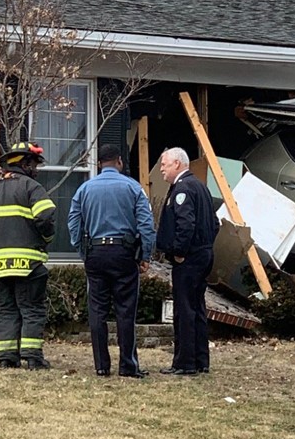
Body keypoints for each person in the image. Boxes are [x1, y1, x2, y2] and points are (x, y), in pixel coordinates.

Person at [67, 144, 157, 379]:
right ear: (119, 161)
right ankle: (127, 365)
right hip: (124, 253)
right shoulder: (133, 188)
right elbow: (146, 225)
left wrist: (82, 250)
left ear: (98, 164)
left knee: (97, 310)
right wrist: (145, 255)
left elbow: (73, 223)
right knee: (125, 310)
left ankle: (101, 365)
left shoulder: (84, 189)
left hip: (95, 253)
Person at [0, 141, 57, 370]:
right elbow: (46, 218)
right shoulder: (32, 188)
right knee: (31, 308)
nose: (36, 170)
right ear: (24, 163)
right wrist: (46, 240)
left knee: (5, 308)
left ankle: (6, 357)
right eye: (34, 164)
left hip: (0, 266)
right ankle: (33, 357)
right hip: (29, 264)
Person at [155, 147, 218, 376]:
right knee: (198, 307)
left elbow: (186, 224)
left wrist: (179, 251)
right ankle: (201, 360)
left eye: (165, 164)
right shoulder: (200, 187)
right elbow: (215, 223)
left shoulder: (182, 189)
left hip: (189, 259)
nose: (161, 169)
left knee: (184, 310)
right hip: (204, 254)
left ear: (178, 164)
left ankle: (185, 362)